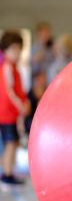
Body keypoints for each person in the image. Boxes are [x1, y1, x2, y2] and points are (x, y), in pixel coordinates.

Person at [0, 31, 30, 185]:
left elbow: (18, 90)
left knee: (14, 143)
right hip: (7, 114)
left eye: (19, 49)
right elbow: (8, 91)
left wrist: (25, 102)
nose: (17, 52)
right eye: (13, 49)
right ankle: (6, 173)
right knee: (10, 143)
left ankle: (9, 170)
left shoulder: (15, 68)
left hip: (14, 113)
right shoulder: (6, 67)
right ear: (5, 50)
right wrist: (20, 105)